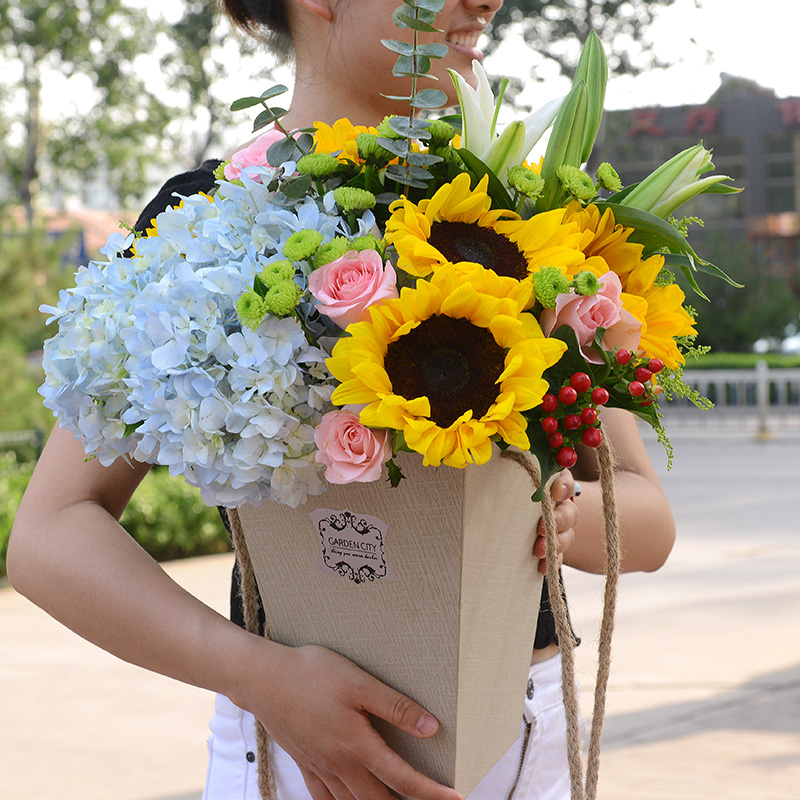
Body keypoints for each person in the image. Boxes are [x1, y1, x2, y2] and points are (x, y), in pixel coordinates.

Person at [8, 1, 676, 799]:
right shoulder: (201, 229)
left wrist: (555, 521)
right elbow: (49, 535)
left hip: (524, 740)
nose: (486, 1)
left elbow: (646, 517)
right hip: (295, 756)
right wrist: (261, 677)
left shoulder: (525, 227)